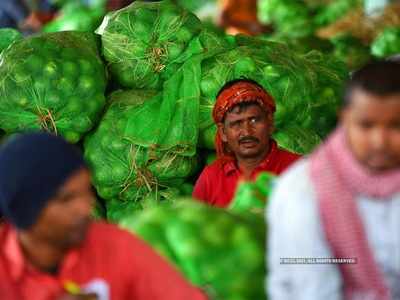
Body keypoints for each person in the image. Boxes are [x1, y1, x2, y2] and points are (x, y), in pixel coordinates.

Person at [0, 132, 207, 300]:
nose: (85, 208)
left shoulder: (116, 246)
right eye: (66, 199)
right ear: (27, 210)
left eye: (86, 192)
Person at [267, 61, 400, 300]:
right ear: (345, 119)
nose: (380, 141)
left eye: (396, 126)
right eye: (366, 125)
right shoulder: (302, 192)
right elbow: (314, 292)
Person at [193, 79, 300, 207]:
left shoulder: (298, 170)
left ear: (270, 123)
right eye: (236, 123)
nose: (246, 132)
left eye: (254, 120)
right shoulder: (211, 178)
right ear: (223, 132)